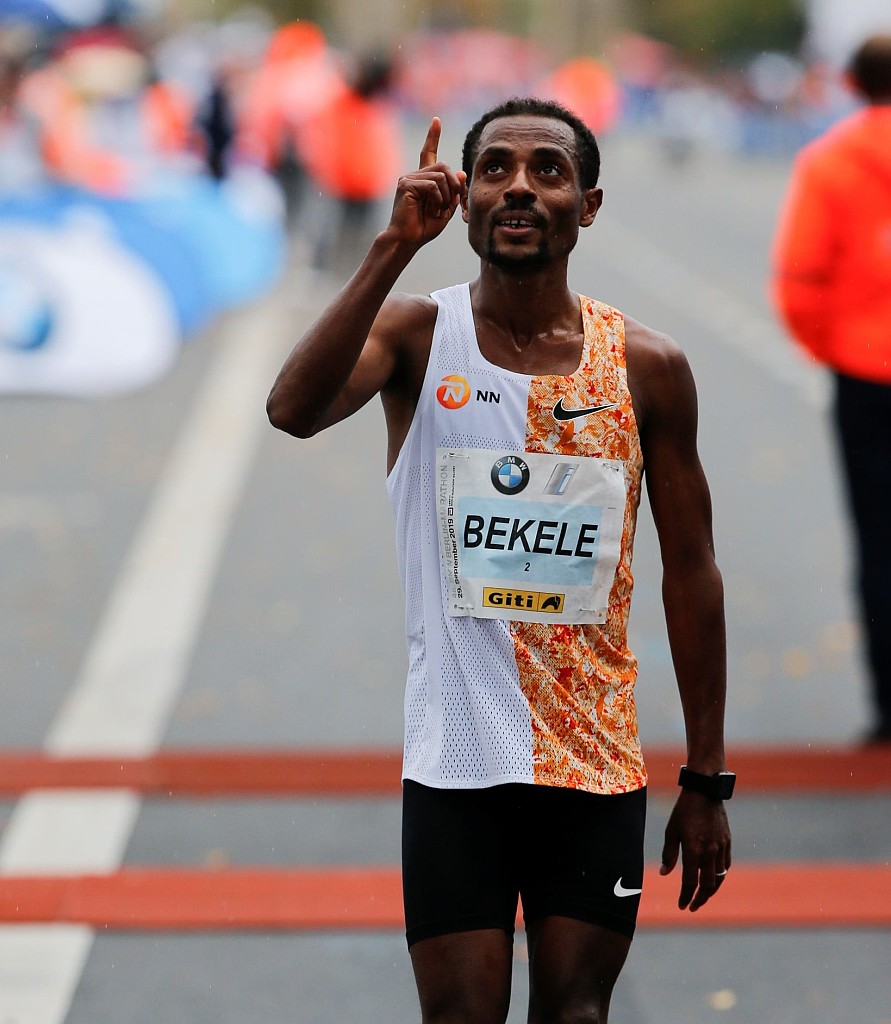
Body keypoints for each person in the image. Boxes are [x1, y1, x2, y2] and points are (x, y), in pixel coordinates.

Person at [268, 97, 733, 1023]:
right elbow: (293, 410)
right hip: (455, 760)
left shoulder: (646, 366)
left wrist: (706, 779)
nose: (519, 186)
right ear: (466, 200)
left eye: (547, 170)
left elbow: (692, 572)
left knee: (576, 1014)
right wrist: (392, 246)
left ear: (586, 206)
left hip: (592, 759)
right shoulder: (414, 336)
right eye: (495, 169)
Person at [771, 36, 891, 745]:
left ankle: (888, 704)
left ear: (850, 82)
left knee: (879, 539)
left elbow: (798, 275)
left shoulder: (831, 160)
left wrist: (832, 349)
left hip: (866, 372)